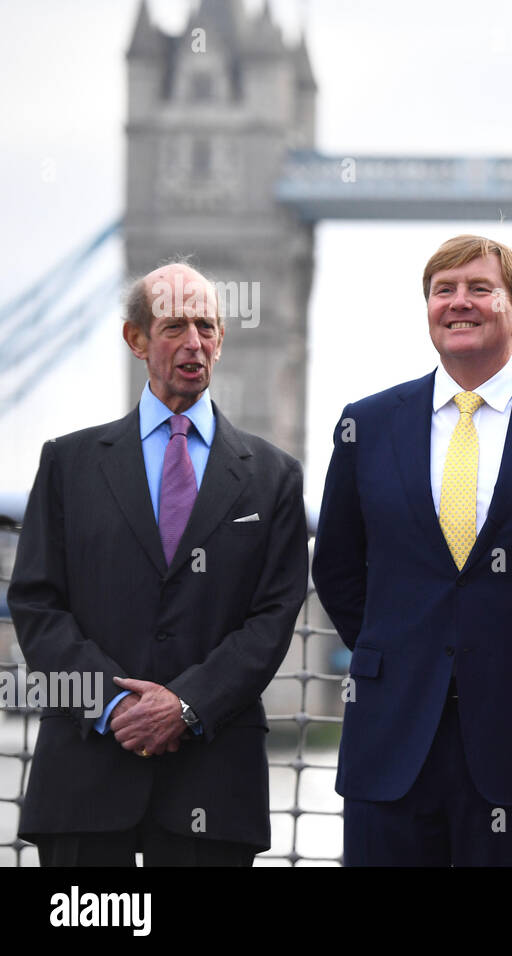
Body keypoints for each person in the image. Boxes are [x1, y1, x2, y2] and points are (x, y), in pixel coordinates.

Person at [312, 234, 512, 866]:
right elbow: (337, 565)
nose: (458, 303)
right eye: (442, 290)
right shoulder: (364, 425)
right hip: (389, 737)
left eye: (480, 288)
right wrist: (397, 647)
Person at [9, 261, 308, 865]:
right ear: (136, 339)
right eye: (174, 327)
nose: (193, 343)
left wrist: (185, 705)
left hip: (214, 784)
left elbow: (274, 616)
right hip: (85, 783)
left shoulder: (274, 477)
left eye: (206, 326)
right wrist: (113, 706)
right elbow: (37, 603)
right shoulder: (68, 463)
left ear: (221, 340)